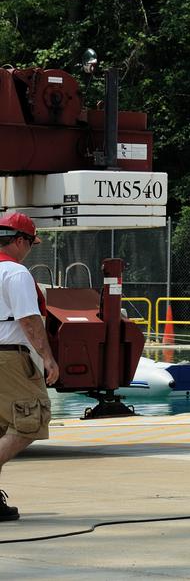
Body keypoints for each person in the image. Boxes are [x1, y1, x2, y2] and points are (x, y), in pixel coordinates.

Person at [0, 213, 58, 521]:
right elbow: (28, 319)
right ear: (20, 241)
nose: (30, 250)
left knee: (1, 426)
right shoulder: (15, 272)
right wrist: (47, 358)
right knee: (34, 419)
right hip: (9, 356)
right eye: (31, 244)